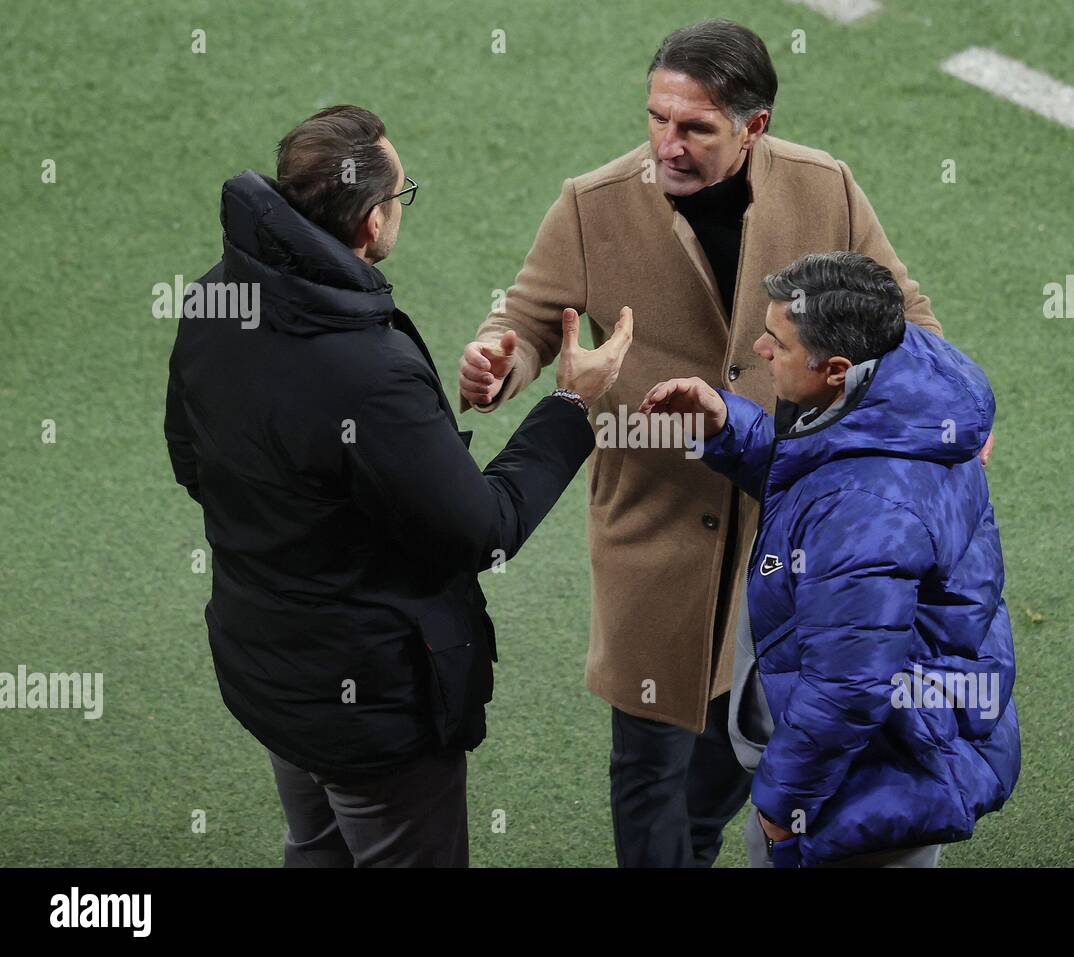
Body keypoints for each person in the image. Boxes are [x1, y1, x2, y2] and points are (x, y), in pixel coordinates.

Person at [457, 18, 973, 868]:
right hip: (652, 532)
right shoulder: (592, 203)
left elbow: (907, 319)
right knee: (649, 768)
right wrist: (496, 366)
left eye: (695, 126)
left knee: (731, 759)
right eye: (657, 118)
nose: (668, 143)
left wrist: (941, 419)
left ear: (753, 126)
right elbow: (522, 320)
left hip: (781, 529)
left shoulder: (825, 189)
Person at [164, 105, 632, 867]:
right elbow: (484, 527)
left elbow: (191, 460)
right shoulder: (369, 373)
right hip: (370, 704)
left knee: (315, 847)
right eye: (401, 194)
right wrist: (573, 403)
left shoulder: (215, 298)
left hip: (267, 668)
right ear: (372, 221)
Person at [639, 251, 1020, 867]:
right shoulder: (907, 394)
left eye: (777, 343)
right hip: (891, 764)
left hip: (853, 794)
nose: (759, 350)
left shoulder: (866, 512)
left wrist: (781, 812)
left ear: (837, 369)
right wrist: (724, 424)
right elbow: (823, 475)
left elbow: (848, 688)